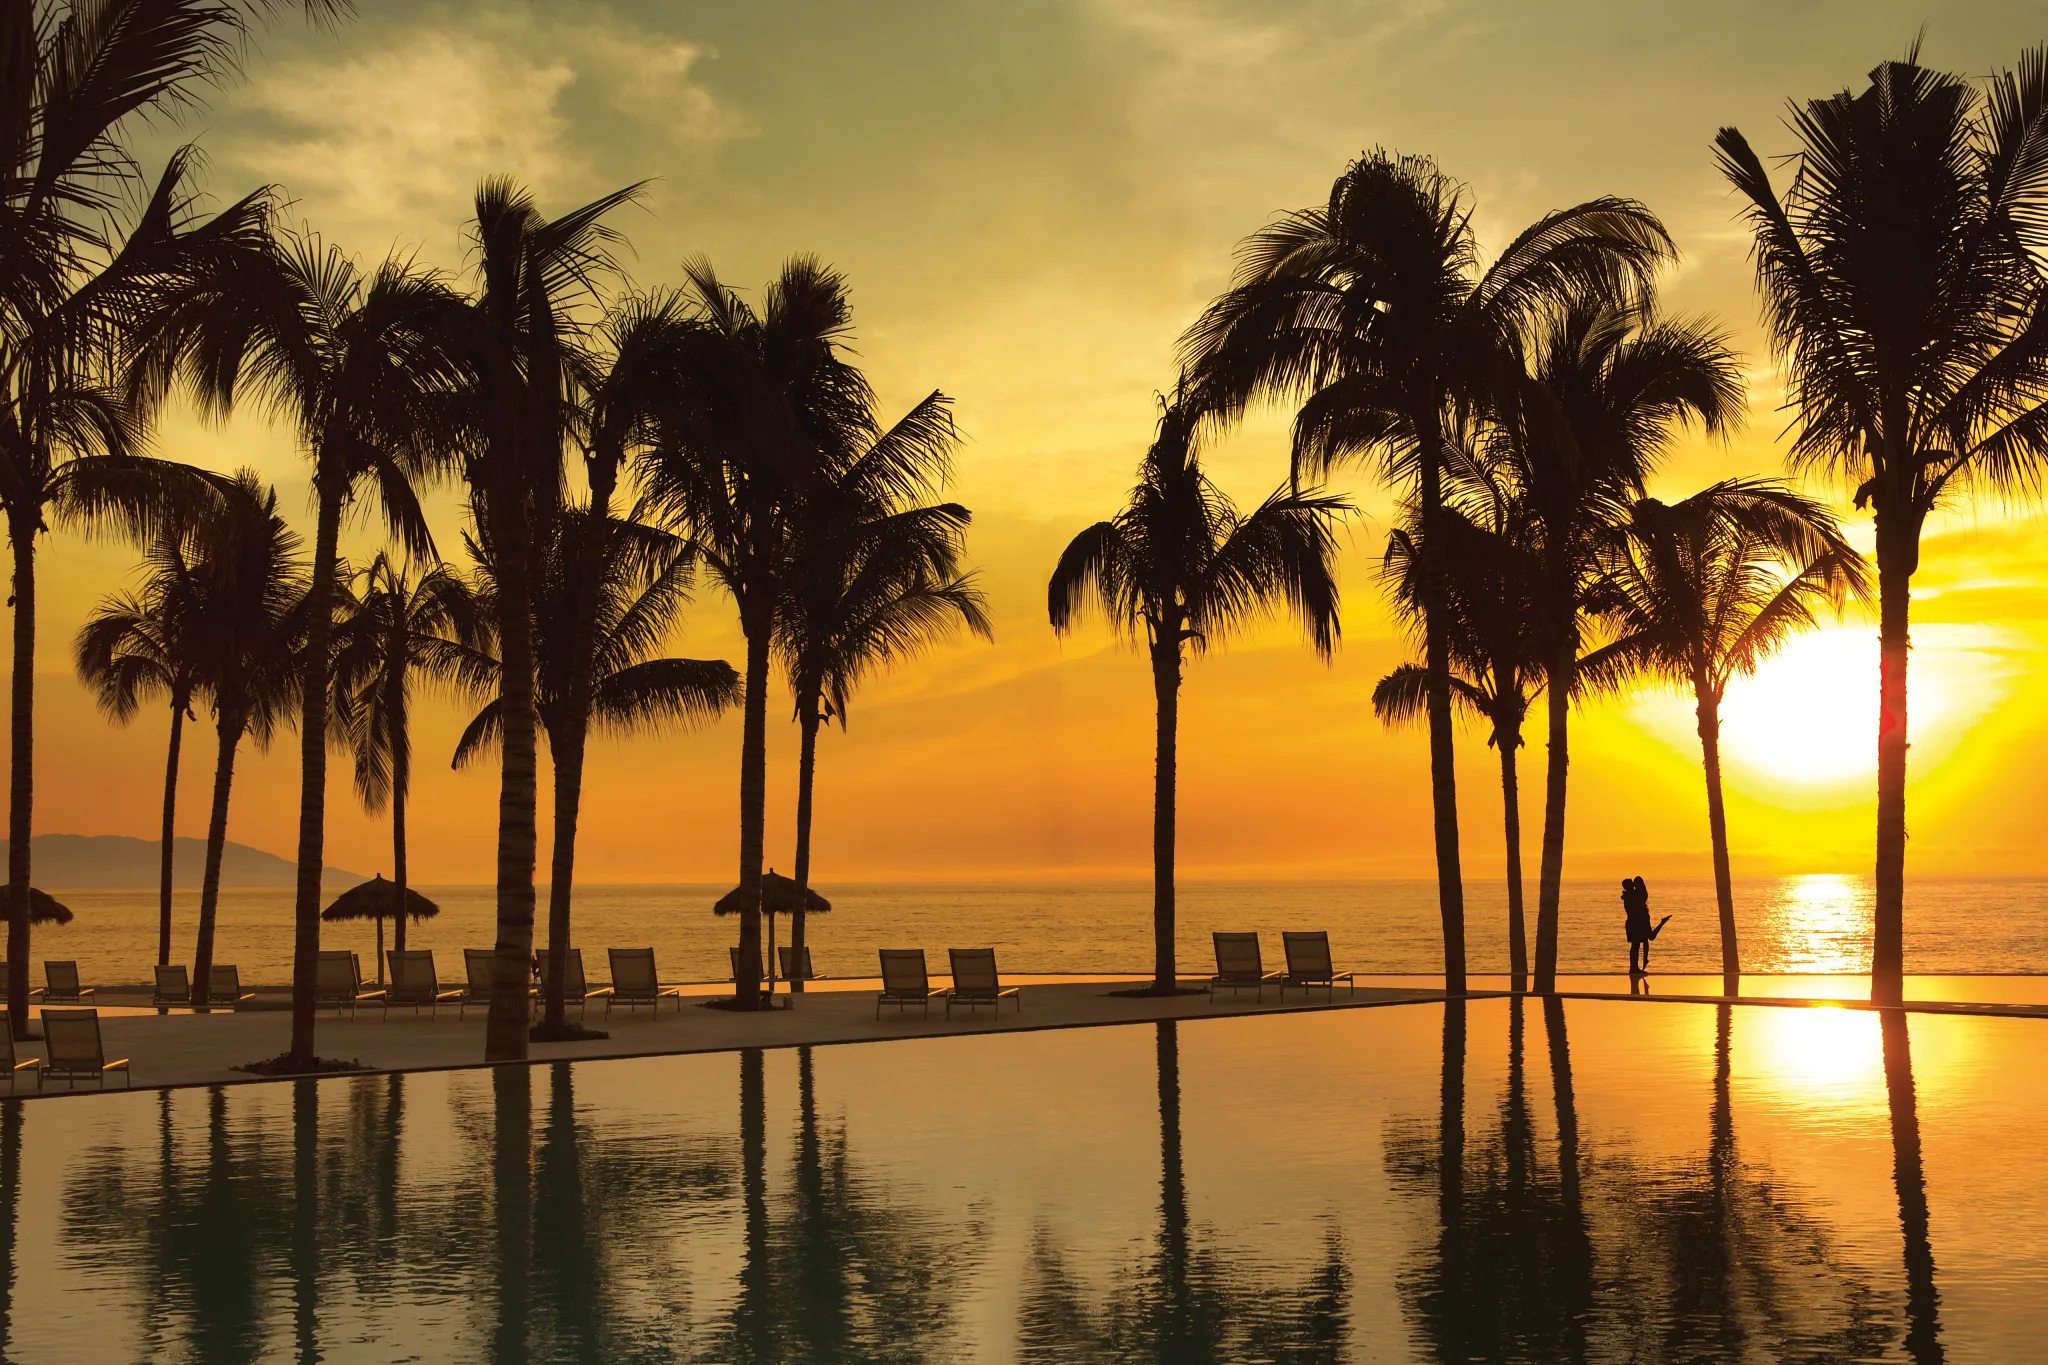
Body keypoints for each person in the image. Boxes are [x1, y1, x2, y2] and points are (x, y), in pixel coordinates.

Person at [1623, 877, 1652, 976]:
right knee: (1635, 945)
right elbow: (1642, 898)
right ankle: (1634, 967)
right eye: (1632, 884)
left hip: (1633, 923)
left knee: (1636, 945)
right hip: (1634, 923)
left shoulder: (1629, 895)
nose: (1633, 885)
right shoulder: (1631, 896)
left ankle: (1634, 967)